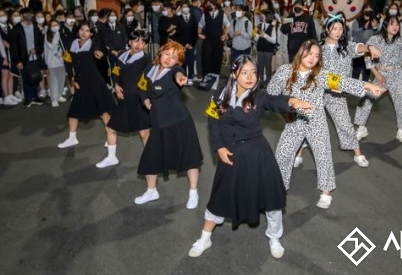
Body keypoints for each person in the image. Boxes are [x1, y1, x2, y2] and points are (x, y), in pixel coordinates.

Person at [188, 54, 312, 259]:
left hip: (257, 154)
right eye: (244, 72)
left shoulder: (259, 96)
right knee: (221, 196)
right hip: (231, 154)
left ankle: (274, 237)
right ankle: (205, 237)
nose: (250, 77)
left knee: (271, 199)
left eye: (253, 72)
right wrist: (218, 147)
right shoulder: (221, 94)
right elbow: (213, 122)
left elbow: (274, 101)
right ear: (234, 73)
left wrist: (291, 101)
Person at [268, 39, 384, 209]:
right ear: (301, 52)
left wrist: (368, 86)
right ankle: (279, 188)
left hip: (317, 123)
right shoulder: (284, 71)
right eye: (309, 53)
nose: (313, 58)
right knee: (283, 155)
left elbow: (344, 82)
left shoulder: (320, 75)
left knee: (323, 156)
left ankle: (326, 192)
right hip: (295, 122)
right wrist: (283, 111)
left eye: (316, 55)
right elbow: (271, 95)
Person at [134, 40, 203, 209]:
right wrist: (146, 101)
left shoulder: (175, 71)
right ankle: (151, 191)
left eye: (174, 57)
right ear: (161, 52)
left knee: (189, 156)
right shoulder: (150, 69)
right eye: (167, 54)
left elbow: (178, 74)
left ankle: (193, 191)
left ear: (177, 62)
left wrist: (181, 78)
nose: (168, 59)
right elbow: (142, 87)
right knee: (151, 156)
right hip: (158, 122)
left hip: (179, 121)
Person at [319, 13, 381, 167]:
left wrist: (370, 47)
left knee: (345, 124)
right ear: (327, 29)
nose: (338, 32)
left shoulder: (347, 46)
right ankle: (298, 154)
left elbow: (359, 47)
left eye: (341, 28)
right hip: (318, 92)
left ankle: (357, 154)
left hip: (336, 94)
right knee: (307, 123)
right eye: (334, 29)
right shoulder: (318, 48)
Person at [96, 30, 151, 168]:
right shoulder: (122, 55)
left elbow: (148, 80)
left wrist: (145, 96)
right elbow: (115, 72)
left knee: (144, 133)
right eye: (136, 41)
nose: (139, 45)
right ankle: (111, 157)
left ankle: (151, 159)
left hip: (138, 100)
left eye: (142, 42)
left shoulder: (146, 59)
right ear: (129, 42)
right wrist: (116, 85)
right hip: (123, 99)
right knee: (110, 127)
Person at [57, 22, 116, 148]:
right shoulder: (72, 44)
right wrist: (73, 78)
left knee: (103, 111)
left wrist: (99, 54)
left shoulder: (93, 45)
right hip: (80, 81)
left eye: (87, 31)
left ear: (91, 34)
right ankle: (72, 138)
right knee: (73, 111)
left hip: (94, 81)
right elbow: (68, 62)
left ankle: (110, 137)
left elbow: (98, 52)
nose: (84, 32)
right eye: (82, 30)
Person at [10, 8, 45, 107]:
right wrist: (17, 61)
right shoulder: (17, 29)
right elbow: (13, 47)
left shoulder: (35, 27)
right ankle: (28, 98)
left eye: (30, 13)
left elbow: (40, 42)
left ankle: (35, 96)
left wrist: (37, 50)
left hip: (35, 57)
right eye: (26, 14)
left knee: (35, 77)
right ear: (22, 15)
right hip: (23, 58)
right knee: (26, 78)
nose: (28, 15)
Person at [198, 0, 229, 76]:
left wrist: (225, 35)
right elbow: (200, 25)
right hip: (208, 39)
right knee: (206, 57)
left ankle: (216, 75)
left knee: (217, 57)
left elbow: (227, 25)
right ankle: (207, 75)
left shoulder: (222, 14)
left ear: (215, 6)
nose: (208, 6)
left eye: (210, 4)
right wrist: (199, 33)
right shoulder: (205, 14)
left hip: (218, 39)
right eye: (207, 4)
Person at [43, 19, 67, 107]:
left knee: (61, 79)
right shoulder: (47, 35)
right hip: (52, 61)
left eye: (56, 25)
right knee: (53, 80)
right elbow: (52, 46)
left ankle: (59, 95)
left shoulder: (61, 34)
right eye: (52, 25)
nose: (55, 27)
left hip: (61, 60)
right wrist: (57, 35)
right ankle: (54, 98)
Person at [254, 11, 278, 87]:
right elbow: (255, 38)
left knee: (268, 66)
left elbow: (274, 40)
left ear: (267, 17)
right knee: (260, 66)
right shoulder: (259, 25)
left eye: (263, 15)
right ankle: (260, 81)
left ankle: (268, 81)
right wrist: (257, 35)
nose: (261, 16)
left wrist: (265, 36)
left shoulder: (272, 27)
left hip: (268, 50)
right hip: (260, 48)